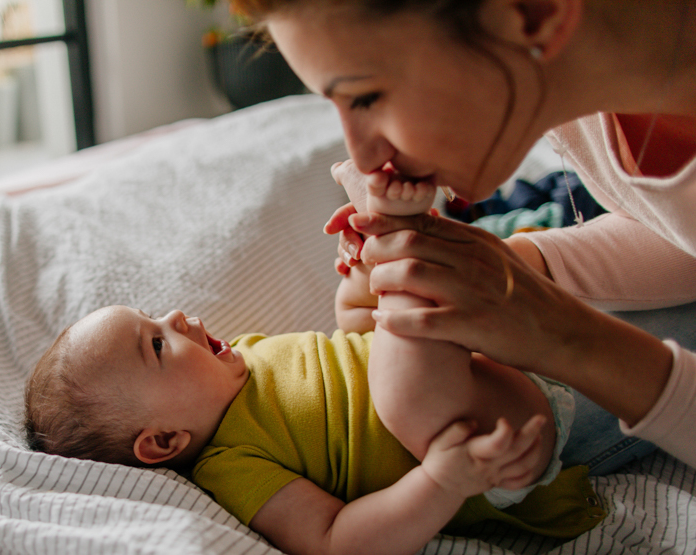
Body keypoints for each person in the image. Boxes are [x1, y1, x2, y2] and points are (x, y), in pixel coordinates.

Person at [230, 0, 696, 471]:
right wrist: (515, 267)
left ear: (532, 12)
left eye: (367, 97)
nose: (366, 158)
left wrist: (567, 337)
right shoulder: (582, 87)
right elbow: (678, 230)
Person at [23, 180, 603, 555]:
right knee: (403, 387)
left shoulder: (247, 355)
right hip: (478, 442)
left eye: (153, 315)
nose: (174, 315)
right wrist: (441, 482)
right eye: (154, 344)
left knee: (390, 324)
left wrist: (357, 288)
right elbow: (335, 541)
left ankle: (403, 260)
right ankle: (408, 237)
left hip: (496, 364)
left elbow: (350, 344)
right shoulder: (233, 465)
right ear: (165, 439)